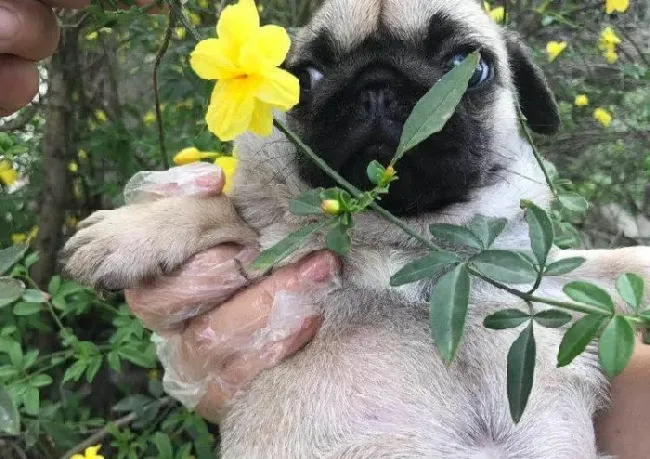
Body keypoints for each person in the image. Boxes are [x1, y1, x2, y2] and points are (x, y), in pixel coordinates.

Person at [1, 1, 647, 457]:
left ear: (523, 92)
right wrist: (197, 221)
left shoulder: (535, 264)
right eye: (313, 79)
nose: (382, 99)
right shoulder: (282, 214)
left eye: (461, 71)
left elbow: (571, 286)